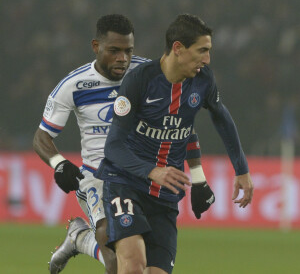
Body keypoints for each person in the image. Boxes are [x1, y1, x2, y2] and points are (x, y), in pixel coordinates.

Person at [33, 14, 214, 274]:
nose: (123, 58)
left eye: (128, 51)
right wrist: (59, 163)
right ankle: (82, 238)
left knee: (136, 266)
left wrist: (198, 178)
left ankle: (79, 237)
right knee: (117, 257)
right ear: (96, 47)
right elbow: (42, 136)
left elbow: (183, 128)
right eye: (114, 51)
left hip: (142, 176)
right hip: (98, 175)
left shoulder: (150, 75)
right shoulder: (73, 85)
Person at [96, 14, 254, 274]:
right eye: (202, 51)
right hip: (126, 184)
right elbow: (113, 147)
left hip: (165, 194)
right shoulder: (140, 81)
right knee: (133, 265)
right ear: (178, 48)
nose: (207, 59)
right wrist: (152, 170)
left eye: (209, 51)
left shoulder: (202, 81)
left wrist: (242, 171)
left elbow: (218, 120)